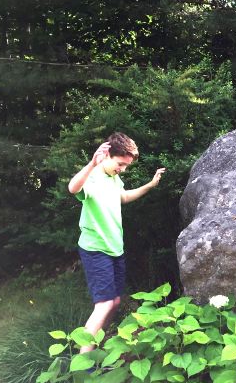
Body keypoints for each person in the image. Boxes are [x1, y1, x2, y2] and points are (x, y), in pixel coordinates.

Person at [67, 132, 165, 353]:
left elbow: (123, 197)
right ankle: (83, 364)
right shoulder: (92, 176)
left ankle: (96, 349)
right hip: (96, 249)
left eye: (126, 166)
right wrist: (92, 163)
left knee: (115, 302)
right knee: (104, 304)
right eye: (121, 164)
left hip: (114, 248)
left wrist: (150, 185)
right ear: (108, 155)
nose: (123, 169)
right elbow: (73, 188)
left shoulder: (113, 177)